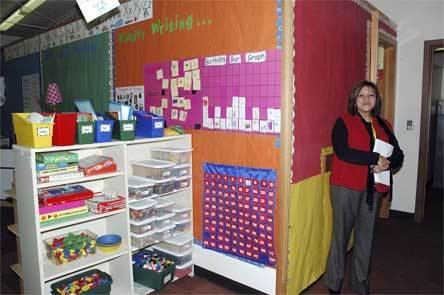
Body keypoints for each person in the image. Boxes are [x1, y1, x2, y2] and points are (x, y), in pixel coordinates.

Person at [324, 80, 404, 294]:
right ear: (354, 100)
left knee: (365, 238)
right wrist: (375, 158)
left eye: (371, 94)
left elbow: (398, 154)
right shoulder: (343, 121)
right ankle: (334, 284)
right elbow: (344, 152)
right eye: (361, 95)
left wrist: (387, 163)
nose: (366, 99)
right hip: (346, 187)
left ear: (376, 99)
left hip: (373, 190)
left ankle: (360, 285)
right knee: (340, 238)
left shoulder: (384, 124)